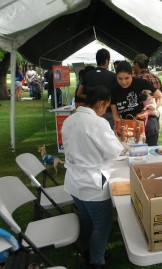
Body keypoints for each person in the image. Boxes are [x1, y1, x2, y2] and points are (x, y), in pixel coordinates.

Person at [62, 85, 124, 269]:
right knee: (103, 224)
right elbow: (115, 151)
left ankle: (88, 250)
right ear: (100, 104)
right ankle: (97, 261)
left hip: (74, 181)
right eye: (106, 107)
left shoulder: (69, 120)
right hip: (92, 183)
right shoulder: (97, 123)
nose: (105, 111)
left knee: (86, 217)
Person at [111, 60, 162, 146]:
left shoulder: (141, 83)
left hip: (148, 126)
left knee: (150, 156)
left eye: (127, 78)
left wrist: (150, 110)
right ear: (116, 77)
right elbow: (115, 114)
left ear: (132, 74)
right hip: (128, 129)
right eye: (120, 79)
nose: (123, 82)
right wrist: (121, 126)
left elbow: (161, 97)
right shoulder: (114, 90)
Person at [76, 48, 116, 128]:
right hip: (108, 113)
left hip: (92, 113)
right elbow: (116, 95)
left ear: (97, 60)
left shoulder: (88, 74)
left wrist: (92, 97)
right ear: (107, 61)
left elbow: (79, 93)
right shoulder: (112, 76)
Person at [133, 53, 162, 131]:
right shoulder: (156, 78)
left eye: (134, 65)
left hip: (142, 115)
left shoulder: (136, 80)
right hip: (157, 111)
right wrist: (154, 107)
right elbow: (161, 94)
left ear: (136, 64)